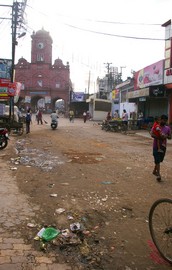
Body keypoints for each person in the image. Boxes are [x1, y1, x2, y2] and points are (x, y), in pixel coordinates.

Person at [151, 114, 171, 182]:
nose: (164, 121)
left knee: (160, 160)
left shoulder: (167, 128)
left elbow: (170, 137)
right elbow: (151, 134)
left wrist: (166, 136)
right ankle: (158, 174)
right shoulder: (156, 125)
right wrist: (159, 137)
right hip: (156, 146)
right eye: (163, 120)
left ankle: (154, 170)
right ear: (160, 119)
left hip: (163, 146)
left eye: (166, 120)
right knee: (157, 159)